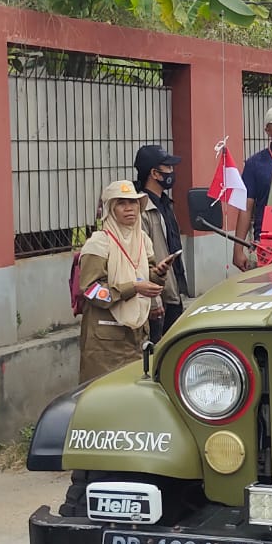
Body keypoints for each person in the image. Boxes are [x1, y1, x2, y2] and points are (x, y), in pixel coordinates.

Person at [77, 180, 174, 383]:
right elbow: (91, 290)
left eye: (133, 203)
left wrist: (159, 273)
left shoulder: (143, 240)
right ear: (111, 209)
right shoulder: (98, 243)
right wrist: (134, 288)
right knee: (104, 395)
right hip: (106, 340)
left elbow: (147, 276)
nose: (129, 208)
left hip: (138, 334)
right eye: (121, 203)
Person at [133, 144, 188, 341]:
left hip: (172, 292)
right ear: (155, 173)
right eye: (168, 168)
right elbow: (140, 259)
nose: (172, 172)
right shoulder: (142, 209)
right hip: (158, 297)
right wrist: (155, 300)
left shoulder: (164, 203)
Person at [235, 106, 272, 271]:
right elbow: (246, 207)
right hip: (266, 243)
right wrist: (238, 249)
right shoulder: (255, 164)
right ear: (267, 129)